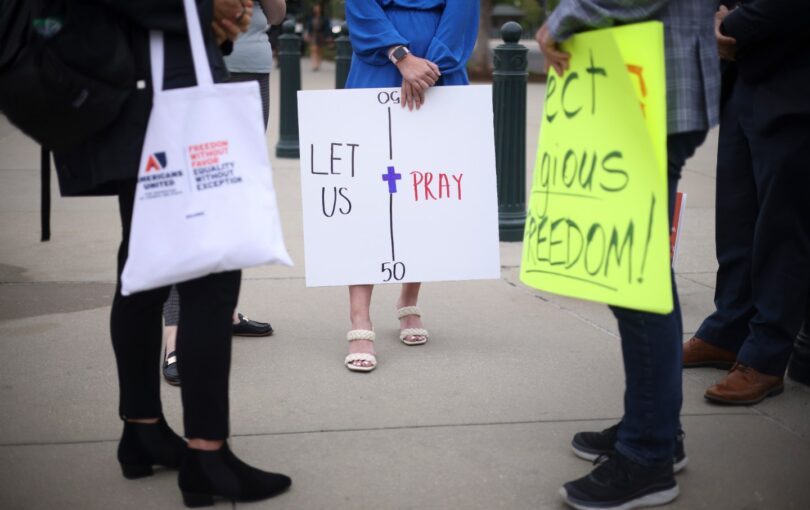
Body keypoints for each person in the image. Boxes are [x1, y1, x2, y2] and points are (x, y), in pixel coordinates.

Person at [52, 0, 291, 505]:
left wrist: (220, 22)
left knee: (142, 262)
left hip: (136, 86)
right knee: (211, 271)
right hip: (159, 94)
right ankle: (207, 456)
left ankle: (142, 430)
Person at [536, 1, 719, 508]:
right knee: (636, 272)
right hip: (645, 80)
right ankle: (652, 425)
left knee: (636, 278)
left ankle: (648, 455)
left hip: (651, 86)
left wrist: (561, 19)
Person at [682, 0, 810, 405]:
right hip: (745, 70)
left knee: (782, 225)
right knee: (738, 213)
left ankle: (766, 357)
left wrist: (733, 23)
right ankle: (729, 329)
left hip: (794, 70)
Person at [341, 0, 478, 372]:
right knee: (368, 198)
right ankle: (360, 318)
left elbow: (462, 9)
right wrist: (401, 56)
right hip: (377, 68)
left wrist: (427, 69)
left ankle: (409, 297)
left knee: (421, 194)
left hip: (438, 75)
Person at [161, 0, 286, 387]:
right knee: (184, 202)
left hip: (248, 67)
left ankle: (223, 312)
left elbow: (277, 11)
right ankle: (175, 332)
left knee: (232, 195)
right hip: (186, 66)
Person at [304, 3, 331, 71]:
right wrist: (307, 34)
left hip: (321, 35)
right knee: (313, 49)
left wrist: (328, 36)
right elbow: (308, 27)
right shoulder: (311, 18)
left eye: (318, 8)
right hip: (313, 35)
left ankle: (319, 63)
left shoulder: (324, 18)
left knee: (319, 49)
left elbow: (327, 28)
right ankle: (314, 64)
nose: (316, 9)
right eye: (315, 8)